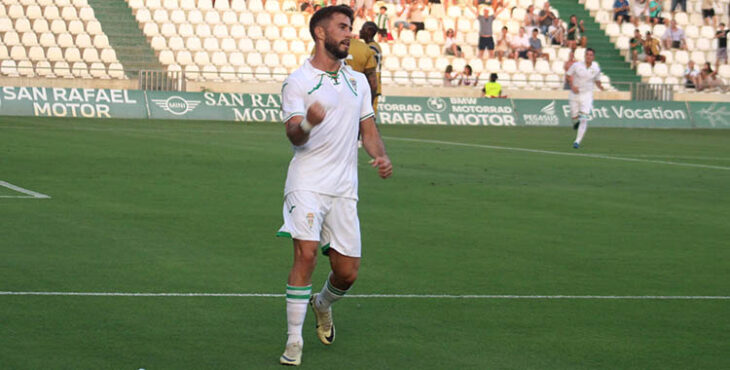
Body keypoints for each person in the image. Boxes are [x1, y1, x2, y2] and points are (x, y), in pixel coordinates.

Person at [277, 5, 393, 366]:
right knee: (306, 253)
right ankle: (293, 342)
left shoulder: (356, 81)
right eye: (342, 27)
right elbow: (295, 136)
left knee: (347, 272)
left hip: (344, 188)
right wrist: (309, 123)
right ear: (320, 34)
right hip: (307, 182)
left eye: (351, 27)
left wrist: (380, 155)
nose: (349, 34)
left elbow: (369, 132)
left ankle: (322, 304)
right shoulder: (297, 81)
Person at [566, 48, 604, 149]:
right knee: (574, 117)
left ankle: (577, 141)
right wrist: (572, 85)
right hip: (575, 94)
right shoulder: (577, 65)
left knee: (584, 119)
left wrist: (601, 87)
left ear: (593, 57)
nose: (589, 56)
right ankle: (576, 122)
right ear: (584, 55)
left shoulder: (596, 68)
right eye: (587, 54)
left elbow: (597, 80)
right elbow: (568, 75)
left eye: (591, 55)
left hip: (587, 95)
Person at [360, 21, 382, 111]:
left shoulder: (371, 48)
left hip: (371, 84)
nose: (360, 31)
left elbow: (370, 68)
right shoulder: (374, 46)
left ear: (369, 31)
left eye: (363, 29)